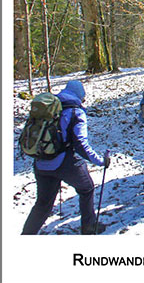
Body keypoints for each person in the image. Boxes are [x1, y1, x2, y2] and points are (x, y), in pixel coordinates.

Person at [22, 80, 110, 235]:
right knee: (86, 188)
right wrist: (100, 161)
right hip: (65, 162)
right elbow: (81, 145)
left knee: (43, 203)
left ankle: (26, 235)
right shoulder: (76, 112)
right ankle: (89, 227)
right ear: (80, 95)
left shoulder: (48, 108)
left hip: (41, 162)